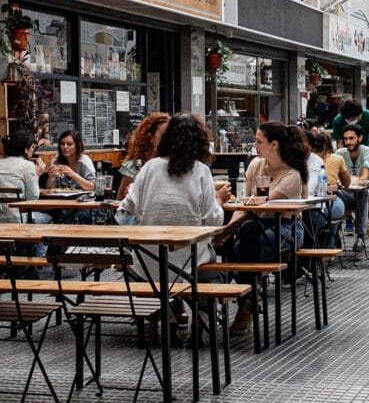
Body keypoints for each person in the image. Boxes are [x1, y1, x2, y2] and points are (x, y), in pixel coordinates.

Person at [116, 113, 230, 287]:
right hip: (190, 259)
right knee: (212, 267)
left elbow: (125, 211)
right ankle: (205, 311)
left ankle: (169, 310)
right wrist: (219, 201)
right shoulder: (201, 171)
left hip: (148, 261)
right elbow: (212, 221)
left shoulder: (150, 167)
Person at [220, 122, 309, 334]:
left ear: (274, 145)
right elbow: (245, 205)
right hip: (252, 225)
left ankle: (247, 302)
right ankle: (249, 295)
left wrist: (228, 230)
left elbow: (261, 208)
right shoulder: (254, 166)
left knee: (244, 239)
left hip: (286, 227)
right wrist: (227, 230)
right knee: (233, 239)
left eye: (259, 141)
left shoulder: (293, 175)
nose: (255, 145)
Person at [0, 131, 47, 224]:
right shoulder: (28, 165)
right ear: (26, 149)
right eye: (32, 147)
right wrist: (37, 174)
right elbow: (32, 199)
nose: (33, 150)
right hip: (18, 219)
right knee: (49, 217)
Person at [335, 123, 369, 251]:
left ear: (359, 138)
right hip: (347, 193)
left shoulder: (367, 151)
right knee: (333, 197)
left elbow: (364, 177)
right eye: (346, 139)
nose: (348, 142)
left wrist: (348, 180)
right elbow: (336, 178)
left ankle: (360, 236)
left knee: (362, 193)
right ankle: (334, 236)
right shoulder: (340, 153)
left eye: (351, 138)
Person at [45, 130, 97, 224]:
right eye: (62, 144)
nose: (65, 147)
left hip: (83, 203)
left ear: (77, 146)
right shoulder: (56, 162)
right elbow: (50, 189)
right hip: (62, 204)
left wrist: (73, 175)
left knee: (81, 216)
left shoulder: (84, 161)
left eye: (69, 144)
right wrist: (51, 178)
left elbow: (92, 187)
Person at [117, 113, 169, 199]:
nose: (168, 139)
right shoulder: (134, 166)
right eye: (163, 135)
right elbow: (120, 199)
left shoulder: (176, 163)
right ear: (150, 137)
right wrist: (128, 193)